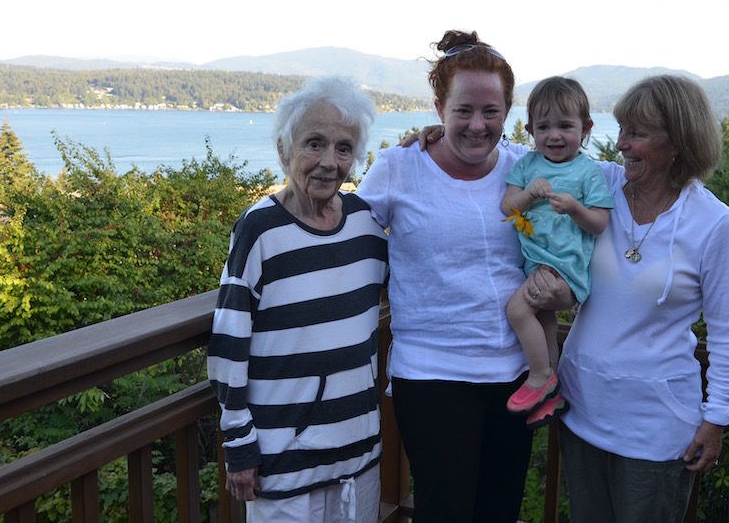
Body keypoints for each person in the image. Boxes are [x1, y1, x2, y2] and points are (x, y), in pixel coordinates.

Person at [355, 30, 571, 523]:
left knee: (499, 510)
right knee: (444, 511)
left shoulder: (528, 167)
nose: (478, 125)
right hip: (433, 375)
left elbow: (604, 184)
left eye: (491, 112)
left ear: (509, 111)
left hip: (516, 374)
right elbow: (339, 235)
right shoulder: (398, 168)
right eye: (463, 111)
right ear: (438, 108)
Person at [552, 74, 729, 522]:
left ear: (677, 142)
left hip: (656, 431)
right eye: (621, 130)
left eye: (636, 134)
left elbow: (728, 334)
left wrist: (716, 418)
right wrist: (440, 137)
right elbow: (527, 163)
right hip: (580, 411)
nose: (620, 144)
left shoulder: (713, 222)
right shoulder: (597, 187)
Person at [207, 76, 388, 523]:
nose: (329, 162)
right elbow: (229, 342)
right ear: (284, 150)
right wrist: (238, 442)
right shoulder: (260, 230)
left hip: (357, 460)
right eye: (314, 144)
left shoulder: (366, 225)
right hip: (282, 469)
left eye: (344, 148)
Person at [501, 76, 613, 421]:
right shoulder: (527, 165)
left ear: (585, 128)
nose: (554, 135)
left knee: (518, 312)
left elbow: (599, 223)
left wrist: (576, 210)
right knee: (544, 321)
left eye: (565, 126)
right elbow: (508, 207)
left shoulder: (588, 173)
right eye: (544, 126)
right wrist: (529, 194)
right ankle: (552, 391)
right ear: (530, 130)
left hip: (563, 266)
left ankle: (539, 377)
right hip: (536, 264)